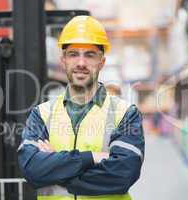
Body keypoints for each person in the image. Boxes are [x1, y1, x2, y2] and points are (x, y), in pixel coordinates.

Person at [18, 15, 145, 200]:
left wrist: (55, 172)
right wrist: (91, 157)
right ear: (63, 60)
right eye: (73, 54)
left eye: (90, 54)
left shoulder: (125, 113)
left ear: (102, 61)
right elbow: (31, 168)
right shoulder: (42, 114)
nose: (81, 63)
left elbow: (123, 175)